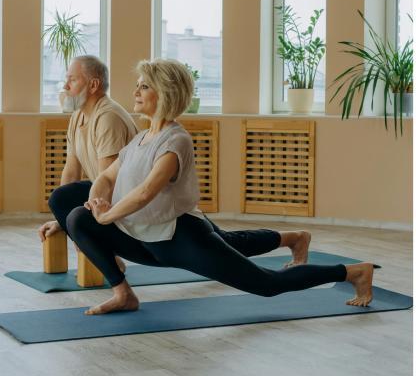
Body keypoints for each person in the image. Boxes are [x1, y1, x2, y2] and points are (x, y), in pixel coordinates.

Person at [65, 58, 375, 315]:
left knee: (267, 284)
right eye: (139, 85)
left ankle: (352, 272)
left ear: (165, 93)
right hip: (141, 239)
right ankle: (124, 294)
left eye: (145, 86)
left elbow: (146, 192)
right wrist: (95, 204)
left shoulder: (175, 140)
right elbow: (106, 178)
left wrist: (107, 216)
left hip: (180, 238)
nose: (136, 91)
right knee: (78, 217)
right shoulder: (140, 139)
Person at [38, 55, 138, 244]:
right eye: (66, 79)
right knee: (60, 197)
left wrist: (79, 226)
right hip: (101, 190)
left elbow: (109, 182)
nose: (65, 86)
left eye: (73, 80)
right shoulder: (78, 115)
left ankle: (105, 254)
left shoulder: (108, 117)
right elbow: (71, 170)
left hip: (124, 198)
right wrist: (62, 219)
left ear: (93, 85)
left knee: (76, 216)